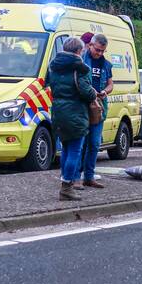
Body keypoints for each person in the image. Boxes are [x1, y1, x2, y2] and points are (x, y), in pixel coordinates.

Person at [44, 38, 97, 201]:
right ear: (78, 51)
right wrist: (95, 94)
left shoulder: (53, 66)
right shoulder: (80, 68)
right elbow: (87, 92)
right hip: (75, 113)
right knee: (75, 150)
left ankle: (65, 182)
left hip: (58, 112)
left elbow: (47, 84)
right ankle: (67, 187)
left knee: (65, 149)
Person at [80, 33, 112, 188]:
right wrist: (91, 91)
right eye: (97, 50)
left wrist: (105, 91)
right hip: (83, 107)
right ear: (90, 45)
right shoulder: (81, 61)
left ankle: (89, 176)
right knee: (80, 143)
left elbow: (111, 84)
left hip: (99, 108)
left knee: (94, 143)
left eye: (102, 51)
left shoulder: (106, 64)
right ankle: (74, 176)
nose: (99, 54)